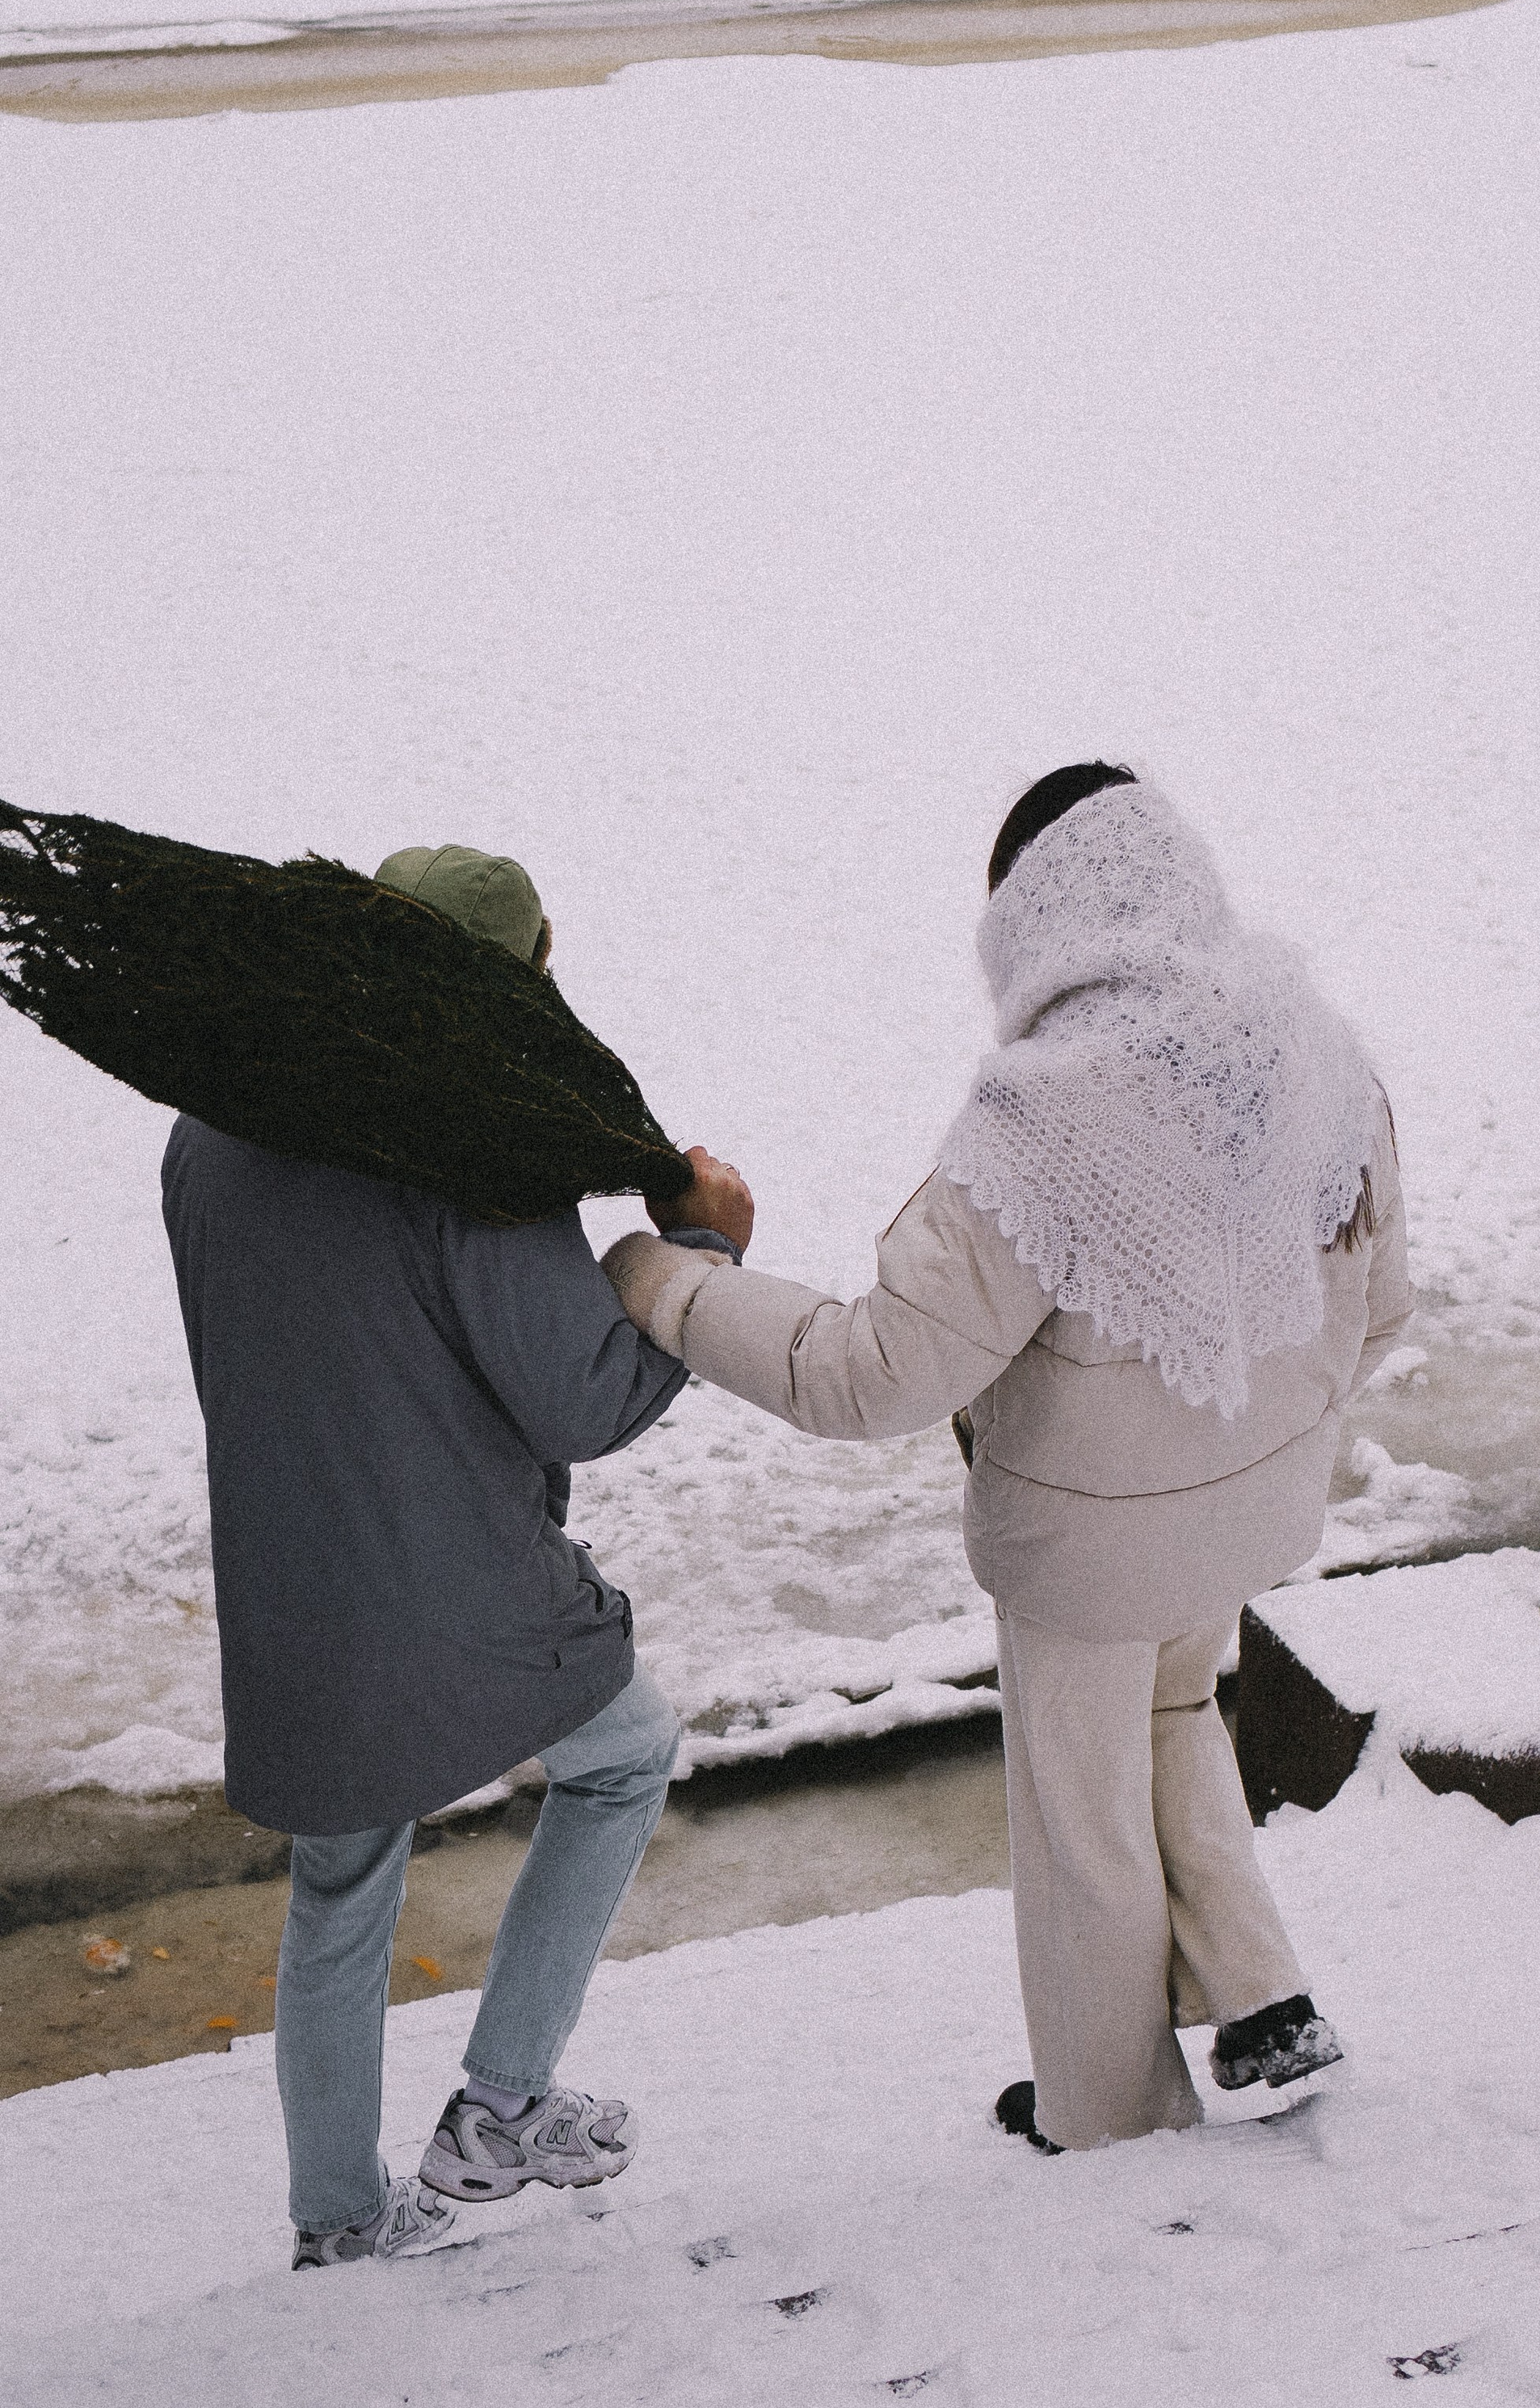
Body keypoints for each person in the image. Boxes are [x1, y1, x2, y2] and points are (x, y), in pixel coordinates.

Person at [604, 767, 1412, 2154]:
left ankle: (1108, 2115)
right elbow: (1379, 1308)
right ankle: (1261, 1987)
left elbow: (862, 1376)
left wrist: (663, 1285)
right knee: (1178, 1712)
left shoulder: (1039, 1127)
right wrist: (1254, 1432)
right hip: (1257, 1508)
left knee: (1081, 1807)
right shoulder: (1319, 1058)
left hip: (1085, 1550)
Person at [161, 844, 747, 2269]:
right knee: (623, 1756)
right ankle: (503, 2098)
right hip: (463, 1585)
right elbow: (582, 1399)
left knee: (342, 1882)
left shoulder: (212, 1127)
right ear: (506, 976)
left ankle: (342, 2222)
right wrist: (694, 1247)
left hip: (292, 1584)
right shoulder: (471, 1155)